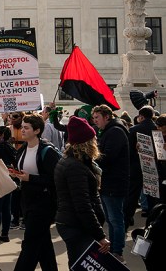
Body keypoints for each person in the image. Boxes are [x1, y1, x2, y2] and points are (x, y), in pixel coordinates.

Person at [55, 116, 110, 267]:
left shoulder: (74, 161)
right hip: (76, 225)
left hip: (72, 222)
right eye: (93, 139)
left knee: (77, 263)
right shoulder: (75, 166)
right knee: (80, 264)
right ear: (86, 143)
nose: (96, 142)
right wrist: (100, 236)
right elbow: (83, 204)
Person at [10, 113, 61, 271]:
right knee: (43, 243)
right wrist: (14, 173)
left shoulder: (48, 151)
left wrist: (30, 178)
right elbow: (23, 173)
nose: (22, 130)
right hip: (27, 201)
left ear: (37, 130)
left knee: (30, 243)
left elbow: (55, 179)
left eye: (26, 128)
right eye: (22, 127)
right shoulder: (23, 149)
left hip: (43, 203)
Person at [92, 104, 130, 261]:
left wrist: (92, 157)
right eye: (93, 118)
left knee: (115, 219)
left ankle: (117, 251)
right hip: (109, 181)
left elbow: (108, 157)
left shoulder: (115, 132)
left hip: (115, 182)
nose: (95, 121)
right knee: (111, 219)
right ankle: (114, 248)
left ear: (107, 116)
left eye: (97, 117)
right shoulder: (110, 131)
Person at [126, 105, 157, 227]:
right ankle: (152, 219)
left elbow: (129, 151)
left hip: (136, 166)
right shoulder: (156, 129)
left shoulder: (134, 129)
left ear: (141, 116)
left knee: (133, 194)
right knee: (152, 194)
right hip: (152, 166)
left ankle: (128, 217)